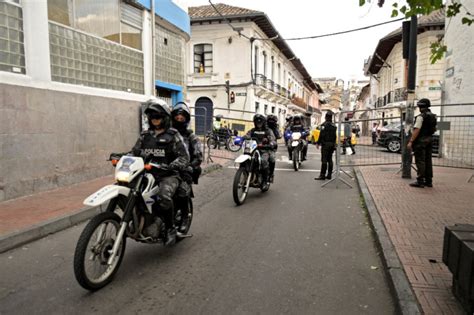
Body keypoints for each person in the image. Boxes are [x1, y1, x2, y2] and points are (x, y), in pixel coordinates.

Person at [131, 99, 190, 246]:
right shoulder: (145, 136)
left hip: (168, 175)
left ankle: (170, 228)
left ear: (164, 118)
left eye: (157, 116)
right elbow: (134, 153)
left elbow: (184, 157)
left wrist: (172, 165)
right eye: (152, 117)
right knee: (131, 191)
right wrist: (120, 157)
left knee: (163, 196)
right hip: (146, 174)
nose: (155, 119)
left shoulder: (173, 134)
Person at [407, 98, 437, 188]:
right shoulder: (433, 116)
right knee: (428, 160)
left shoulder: (420, 117)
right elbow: (434, 128)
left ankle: (420, 181)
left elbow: (417, 130)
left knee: (420, 161)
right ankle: (429, 181)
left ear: (420, 106)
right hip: (429, 139)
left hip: (421, 141)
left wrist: (411, 141)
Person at [246, 114, 276, 190]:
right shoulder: (252, 131)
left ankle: (265, 181)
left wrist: (271, 143)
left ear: (263, 122)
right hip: (253, 150)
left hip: (264, 150)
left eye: (260, 121)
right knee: (246, 159)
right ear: (254, 122)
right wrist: (241, 139)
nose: (258, 123)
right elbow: (247, 136)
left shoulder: (268, 131)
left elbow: (272, 139)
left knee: (264, 161)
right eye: (257, 121)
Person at [315, 111, 337, 180]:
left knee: (324, 160)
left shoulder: (324, 125)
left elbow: (321, 134)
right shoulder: (334, 126)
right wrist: (334, 145)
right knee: (330, 159)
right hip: (332, 144)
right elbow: (335, 136)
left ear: (326, 117)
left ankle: (322, 175)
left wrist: (318, 143)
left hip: (325, 144)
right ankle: (329, 175)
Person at [266, 114, 281, 183]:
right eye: (269, 120)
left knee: (272, 158)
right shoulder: (263, 127)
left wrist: (276, 131)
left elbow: (279, 135)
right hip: (259, 145)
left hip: (271, 146)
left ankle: (271, 174)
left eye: (272, 121)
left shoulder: (276, 128)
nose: (271, 122)